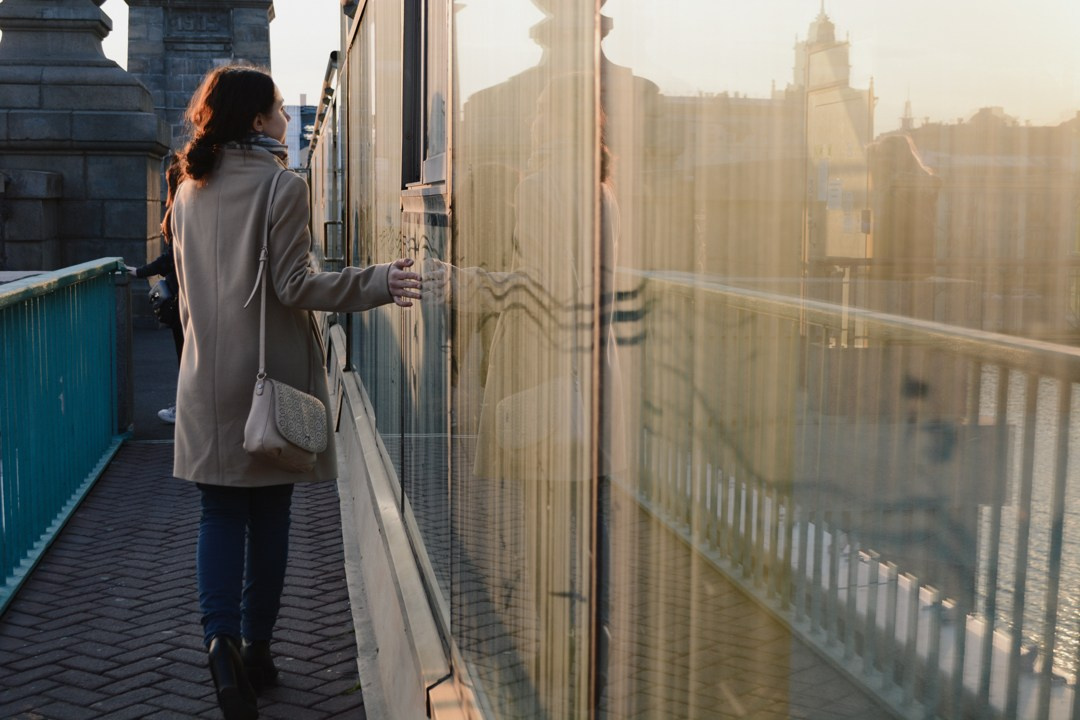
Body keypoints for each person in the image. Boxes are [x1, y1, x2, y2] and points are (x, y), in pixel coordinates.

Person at [170, 65, 421, 720]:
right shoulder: (283, 187)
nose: (286, 114)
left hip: (205, 381)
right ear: (258, 119)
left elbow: (186, 299)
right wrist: (376, 283)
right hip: (267, 380)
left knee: (218, 515)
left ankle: (218, 646)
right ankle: (257, 649)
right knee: (269, 516)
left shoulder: (187, 191)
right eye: (279, 106)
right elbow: (295, 285)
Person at [127, 156, 185, 423]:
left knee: (185, 355)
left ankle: (185, 410)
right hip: (190, 294)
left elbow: (170, 258)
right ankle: (188, 408)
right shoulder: (186, 207)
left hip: (181, 297)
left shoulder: (178, 210)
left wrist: (140, 272)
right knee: (189, 356)